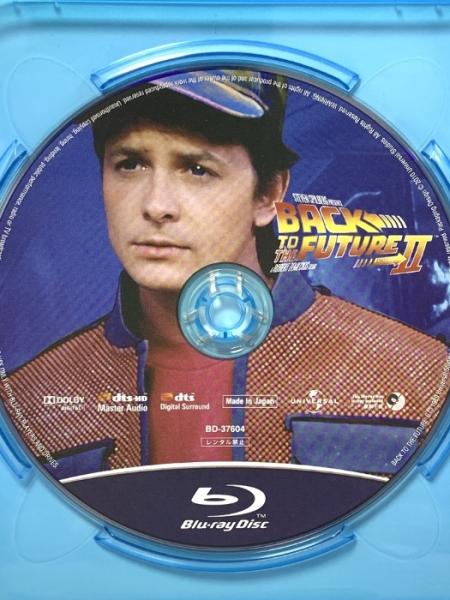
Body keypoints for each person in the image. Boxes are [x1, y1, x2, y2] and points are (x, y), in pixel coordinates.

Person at [1, 70, 449, 481]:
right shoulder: (30, 399)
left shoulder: (421, 374)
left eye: (197, 169)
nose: (156, 206)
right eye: (130, 164)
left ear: (268, 193)